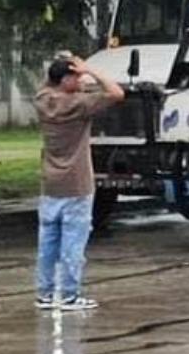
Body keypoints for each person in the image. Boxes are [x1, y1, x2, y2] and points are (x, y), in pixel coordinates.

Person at [34, 52, 125, 311]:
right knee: (73, 244)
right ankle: (71, 296)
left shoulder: (43, 100)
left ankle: (45, 293)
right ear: (65, 80)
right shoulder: (79, 105)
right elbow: (117, 93)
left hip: (50, 184)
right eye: (76, 76)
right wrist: (91, 69)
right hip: (76, 184)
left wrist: (68, 68)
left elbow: (48, 84)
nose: (81, 79)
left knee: (48, 243)